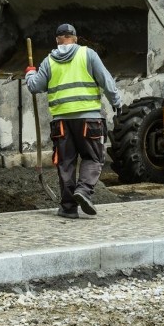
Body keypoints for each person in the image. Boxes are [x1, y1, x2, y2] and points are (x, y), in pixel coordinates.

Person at [25, 23, 121, 219]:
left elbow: (35, 87)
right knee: (93, 157)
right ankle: (84, 191)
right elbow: (106, 80)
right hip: (89, 119)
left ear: (57, 40)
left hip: (61, 122)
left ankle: (68, 207)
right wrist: (116, 103)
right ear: (75, 38)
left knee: (66, 163)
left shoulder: (49, 61)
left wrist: (30, 73)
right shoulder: (88, 54)